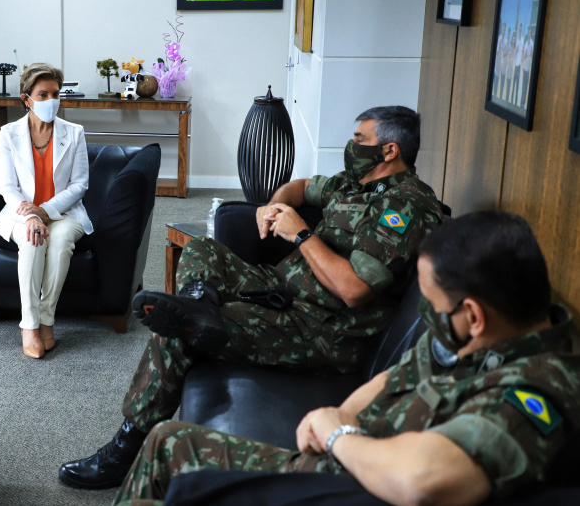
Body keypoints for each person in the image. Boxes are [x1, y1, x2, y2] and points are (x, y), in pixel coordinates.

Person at [58, 106, 443, 489]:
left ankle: (122, 452)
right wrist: (273, 205)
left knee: (178, 333)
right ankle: (199, 303)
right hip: (283, 287)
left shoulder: (405, 206)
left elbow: (354, 289)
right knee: (203, 250)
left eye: (361, 139)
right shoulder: (353, 182)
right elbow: (301, 187)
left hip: (322, 329)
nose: (351, 145)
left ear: (390, 150)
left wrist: (302, 235)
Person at [113, 211, 580, 506]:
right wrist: (336, 415)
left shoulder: (536, 389)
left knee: (172, 466)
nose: (426, 316)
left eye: (432, 305)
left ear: (473, 315)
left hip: (352, 486)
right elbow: (399, 374)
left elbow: (423, 480)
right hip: (337, 458)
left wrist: (338, 435)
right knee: (167, 441)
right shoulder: (475, 338)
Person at [0, 63, 92, 359]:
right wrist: (33, 216)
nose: (51, 100)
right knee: (32, 239)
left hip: (64, 213)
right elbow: (8, 188)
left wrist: (46, 210)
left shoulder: (74, 133)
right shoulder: (8, 134)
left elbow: (80, 185)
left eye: (55, 94)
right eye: (43, 94)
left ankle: (47, 320)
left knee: (60, 242)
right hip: (21, 214)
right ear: (26, 99)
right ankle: (30, 325)